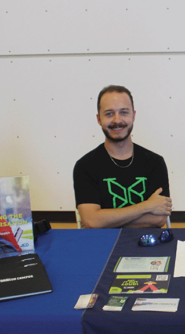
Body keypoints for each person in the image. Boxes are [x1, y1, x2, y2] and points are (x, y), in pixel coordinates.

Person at [73, 85, 172, 228]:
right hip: (102, 245)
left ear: (134, 116)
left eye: (124, 112)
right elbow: (91, 221)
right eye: (109, 113)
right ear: (99, 119)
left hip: (147, 245)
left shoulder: (155, 162)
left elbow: (158, 219)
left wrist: (106, 219)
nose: (117, 120)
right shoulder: (85, 166)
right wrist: (146, 206)